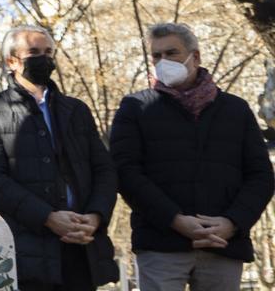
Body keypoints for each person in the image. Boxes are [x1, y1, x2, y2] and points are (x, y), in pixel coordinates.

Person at [110, 22, 274, 291]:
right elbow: (126, 173)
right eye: (156, 56)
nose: (163, 62)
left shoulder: (236, 109)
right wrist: (175, 220)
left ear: (195, 56)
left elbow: (261, 176)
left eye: (171, 53)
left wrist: (231, 223)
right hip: (161, 243)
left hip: (223, 245)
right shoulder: (135, 108)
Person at [0, 25, 119, 291]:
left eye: (49, 52)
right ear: (12, 61)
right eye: (34, 52)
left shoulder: (76, 110)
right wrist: (48, 217)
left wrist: (95, 216)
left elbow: (104, 170)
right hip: (29, 251)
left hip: (82, 247)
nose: (44, 58)